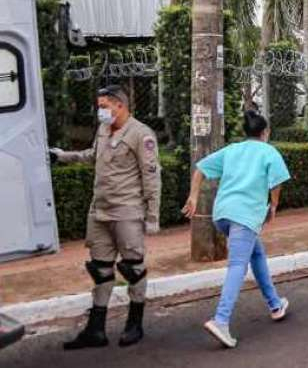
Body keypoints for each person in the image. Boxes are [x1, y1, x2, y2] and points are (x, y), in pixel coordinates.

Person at [50, 85, 160, 350]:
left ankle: (135, 324)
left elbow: (152, 177)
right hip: (99, 211)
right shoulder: (102, 130)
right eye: (99, 106)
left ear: (119, 105)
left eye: (103, 106)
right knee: (100, 269)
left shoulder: (141, 134)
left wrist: (153, 217)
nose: (100, 111)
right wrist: (62, 156)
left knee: (133, 268)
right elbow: (92, 156)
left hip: (127, 211)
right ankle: (95, 330)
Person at [182, 110, 290, 349]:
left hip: (222, 215)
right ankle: (221, 320)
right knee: (237, 265)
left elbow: (200, 168)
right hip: (245, 216)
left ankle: (275, 304)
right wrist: (273, 206)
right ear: (265, 133)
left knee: (257, 254)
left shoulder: (232, 150)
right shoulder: (269, 151)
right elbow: (277, 182)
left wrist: (193, 196)